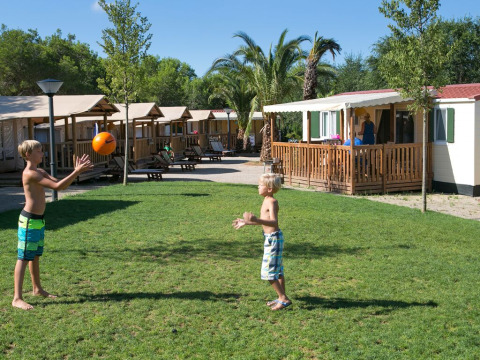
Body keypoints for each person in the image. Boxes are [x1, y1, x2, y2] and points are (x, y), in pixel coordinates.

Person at [13, 140, 93, 310]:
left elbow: (59, 182)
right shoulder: (30, 174)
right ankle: (17, 298)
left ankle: (37, 289)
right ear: (28, 154)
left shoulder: (40, 171)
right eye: (39, 151)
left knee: (34, 256)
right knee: (23, 257)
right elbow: (58, 187)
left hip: (38, 220)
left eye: (42, 150)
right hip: (28, 221)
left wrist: (75, 172)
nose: (42, 153)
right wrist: (76, 172)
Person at [232, 173, 292, 311]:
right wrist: (247, 222)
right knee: (278, 271)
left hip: (274, 239)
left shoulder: (272, 202)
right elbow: (265, 223)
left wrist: (256, 220)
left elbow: (274, 222)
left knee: (269, 273)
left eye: (260, 185)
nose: (258, 187)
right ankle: (280, 297)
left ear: (269, 188)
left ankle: (283, 299)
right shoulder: (266, 200)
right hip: (271, 238)